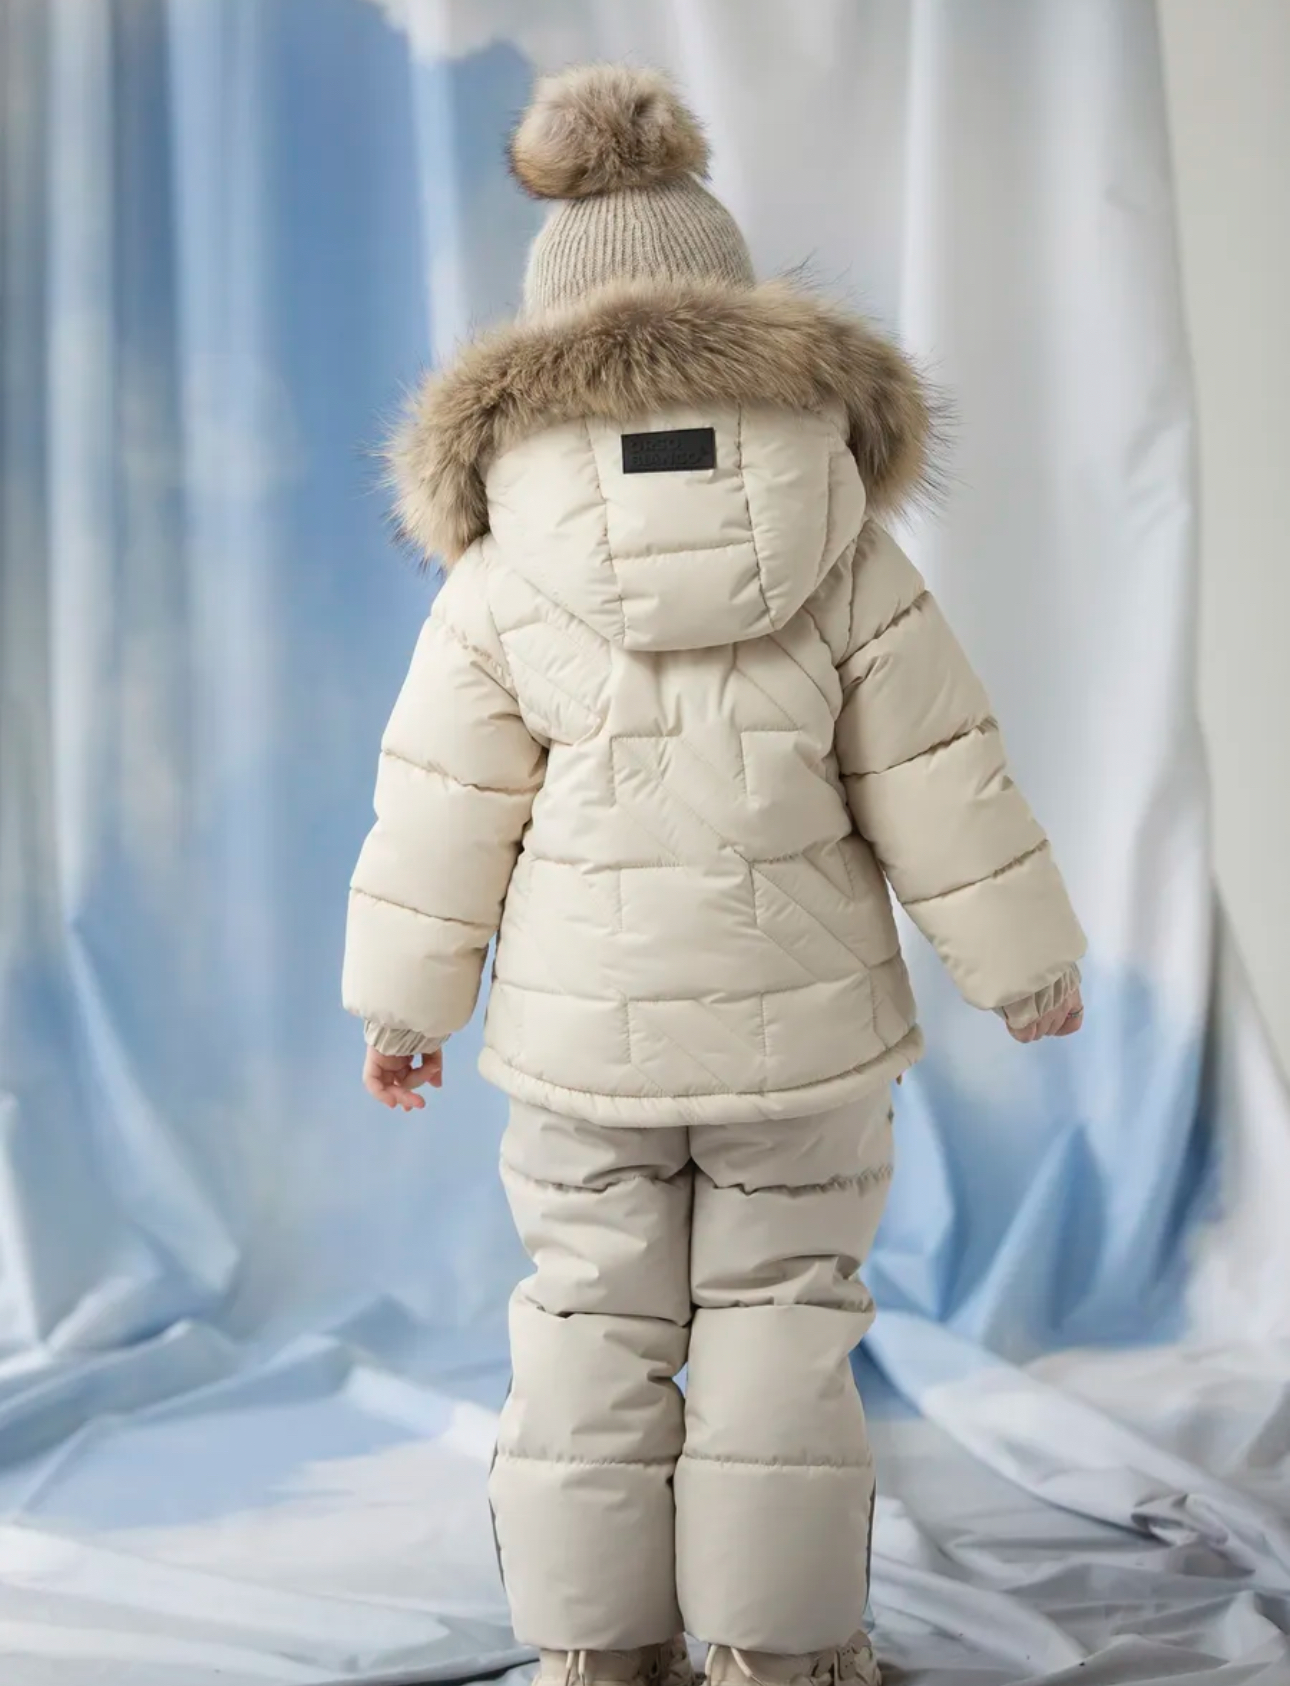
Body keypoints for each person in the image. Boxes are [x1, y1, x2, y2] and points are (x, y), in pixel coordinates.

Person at [343, 62, 1085, 1686]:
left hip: (580, 1047)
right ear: (745, 328)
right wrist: (1024, 964)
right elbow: (938, 773)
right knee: (781, 1328)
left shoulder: (494, 578)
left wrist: (405, 1008)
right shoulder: (846, 547)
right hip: (802, 1040)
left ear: (542, 360)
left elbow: (438, 811)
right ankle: (777, 1656)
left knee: (587, 1326)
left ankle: (597, 1655)